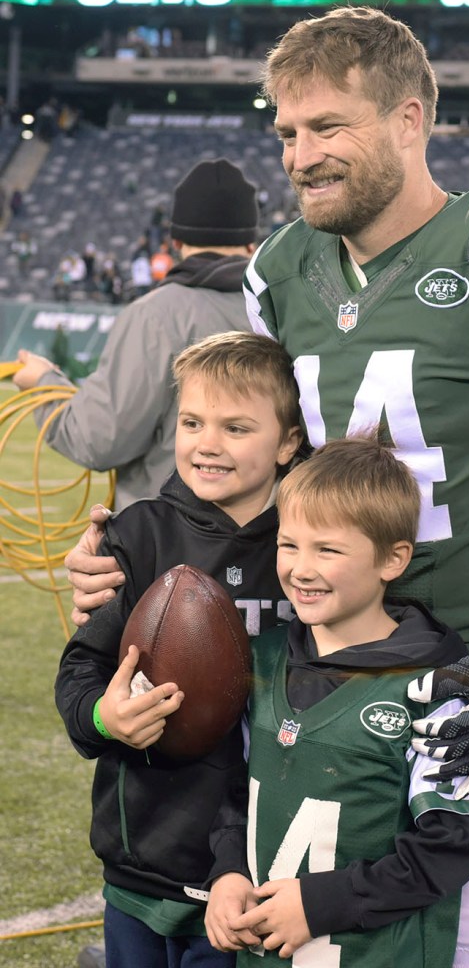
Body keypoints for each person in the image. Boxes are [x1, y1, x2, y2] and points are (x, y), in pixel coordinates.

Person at [65, 7, 469, 968]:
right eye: (287, 133)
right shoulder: (281, 272)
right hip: (330, 680)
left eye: (327, 126)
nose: (300, 155)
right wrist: (131, 558)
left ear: (408, 118)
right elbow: (256, 474)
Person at [55, 331, 303, 968]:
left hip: (256, 864)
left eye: (236, 427)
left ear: (288, 441)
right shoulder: (140, 534)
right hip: (144, 845)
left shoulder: (309, 547)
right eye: (192, 421)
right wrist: (105, 718)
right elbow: (81, 669)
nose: (207, 443)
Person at [204, 435, 469, 965]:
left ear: (393, 559)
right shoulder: (263, 659)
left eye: (328, 549)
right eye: (289, 545)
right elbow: (235, 790)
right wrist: (227, 872)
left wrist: (320, 904)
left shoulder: (440, 689)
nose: (301, 568)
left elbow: (449, 846)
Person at [13, 158, 260, 511]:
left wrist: (44, 383)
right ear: (252, 244)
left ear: (175, 241)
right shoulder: (287, 310)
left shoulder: (154, 315)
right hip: (271, 548)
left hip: (169, 545)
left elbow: (98, 440)